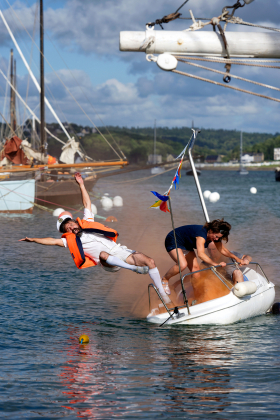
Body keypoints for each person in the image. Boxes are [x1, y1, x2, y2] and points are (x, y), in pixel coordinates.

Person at [19, 172, 170, 303]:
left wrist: (81, 185)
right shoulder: (70, 241)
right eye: (67, 229)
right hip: (108, 262)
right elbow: (52, 241)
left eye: (70, 224)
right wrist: (33, 240)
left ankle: (164, 297)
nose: (71, 227)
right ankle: (134, 269)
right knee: (103, 254)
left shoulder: (88, 222)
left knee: (150, 262)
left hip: (120, 252)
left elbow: (87, 203)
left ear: (74, 221)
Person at [161, 219, 247, 295]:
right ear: (211, 230)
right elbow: (201, 254)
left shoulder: (215, 237)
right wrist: (215, 264)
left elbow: (223, 250)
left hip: (186, 244)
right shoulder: (201, 235)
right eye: (216, 236)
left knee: (196, 272)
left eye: (219, 238)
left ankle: (197, 296)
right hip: (173, 239)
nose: (216, 239)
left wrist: (237, 259)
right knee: (182, 265)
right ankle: (165, 279)